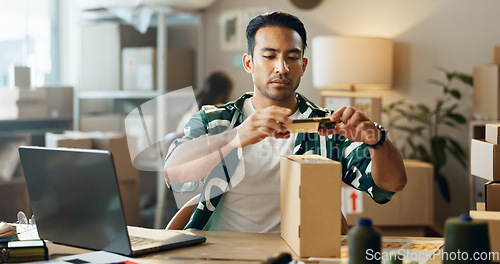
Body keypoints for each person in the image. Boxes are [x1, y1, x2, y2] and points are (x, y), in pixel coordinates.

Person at [164, 11, 407, 233]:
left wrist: (378, 142)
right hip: (220, 251)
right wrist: (236, 136)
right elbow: (173, 173)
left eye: (292, 57)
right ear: (249, 63)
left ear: (303, 66)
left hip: (301, 254)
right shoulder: (215, 119)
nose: (282, 68)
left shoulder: (328, 125)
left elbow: (388, 187)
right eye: (269, 56)